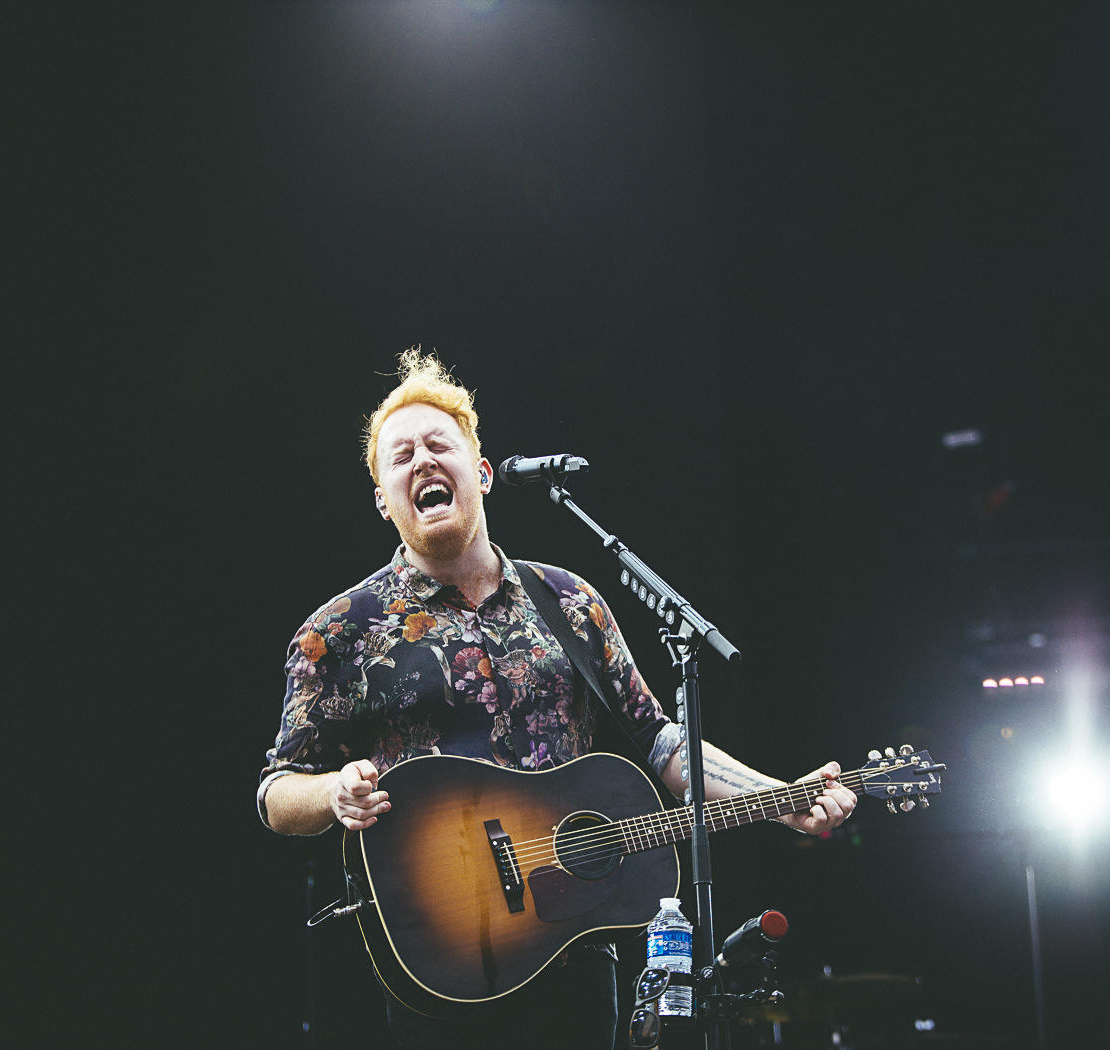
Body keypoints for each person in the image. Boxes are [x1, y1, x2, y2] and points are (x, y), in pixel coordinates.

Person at [259, 348, 856, 1048]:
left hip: (573, 952)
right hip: (440, 963)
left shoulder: (569, 601)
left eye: (438, 445)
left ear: (482, 473)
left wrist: (780, 797)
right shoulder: (338, 631)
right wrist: (332, 792)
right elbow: (276, 792)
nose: (422, 461)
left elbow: (658, 740)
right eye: (401, 456)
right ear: (383, 501)